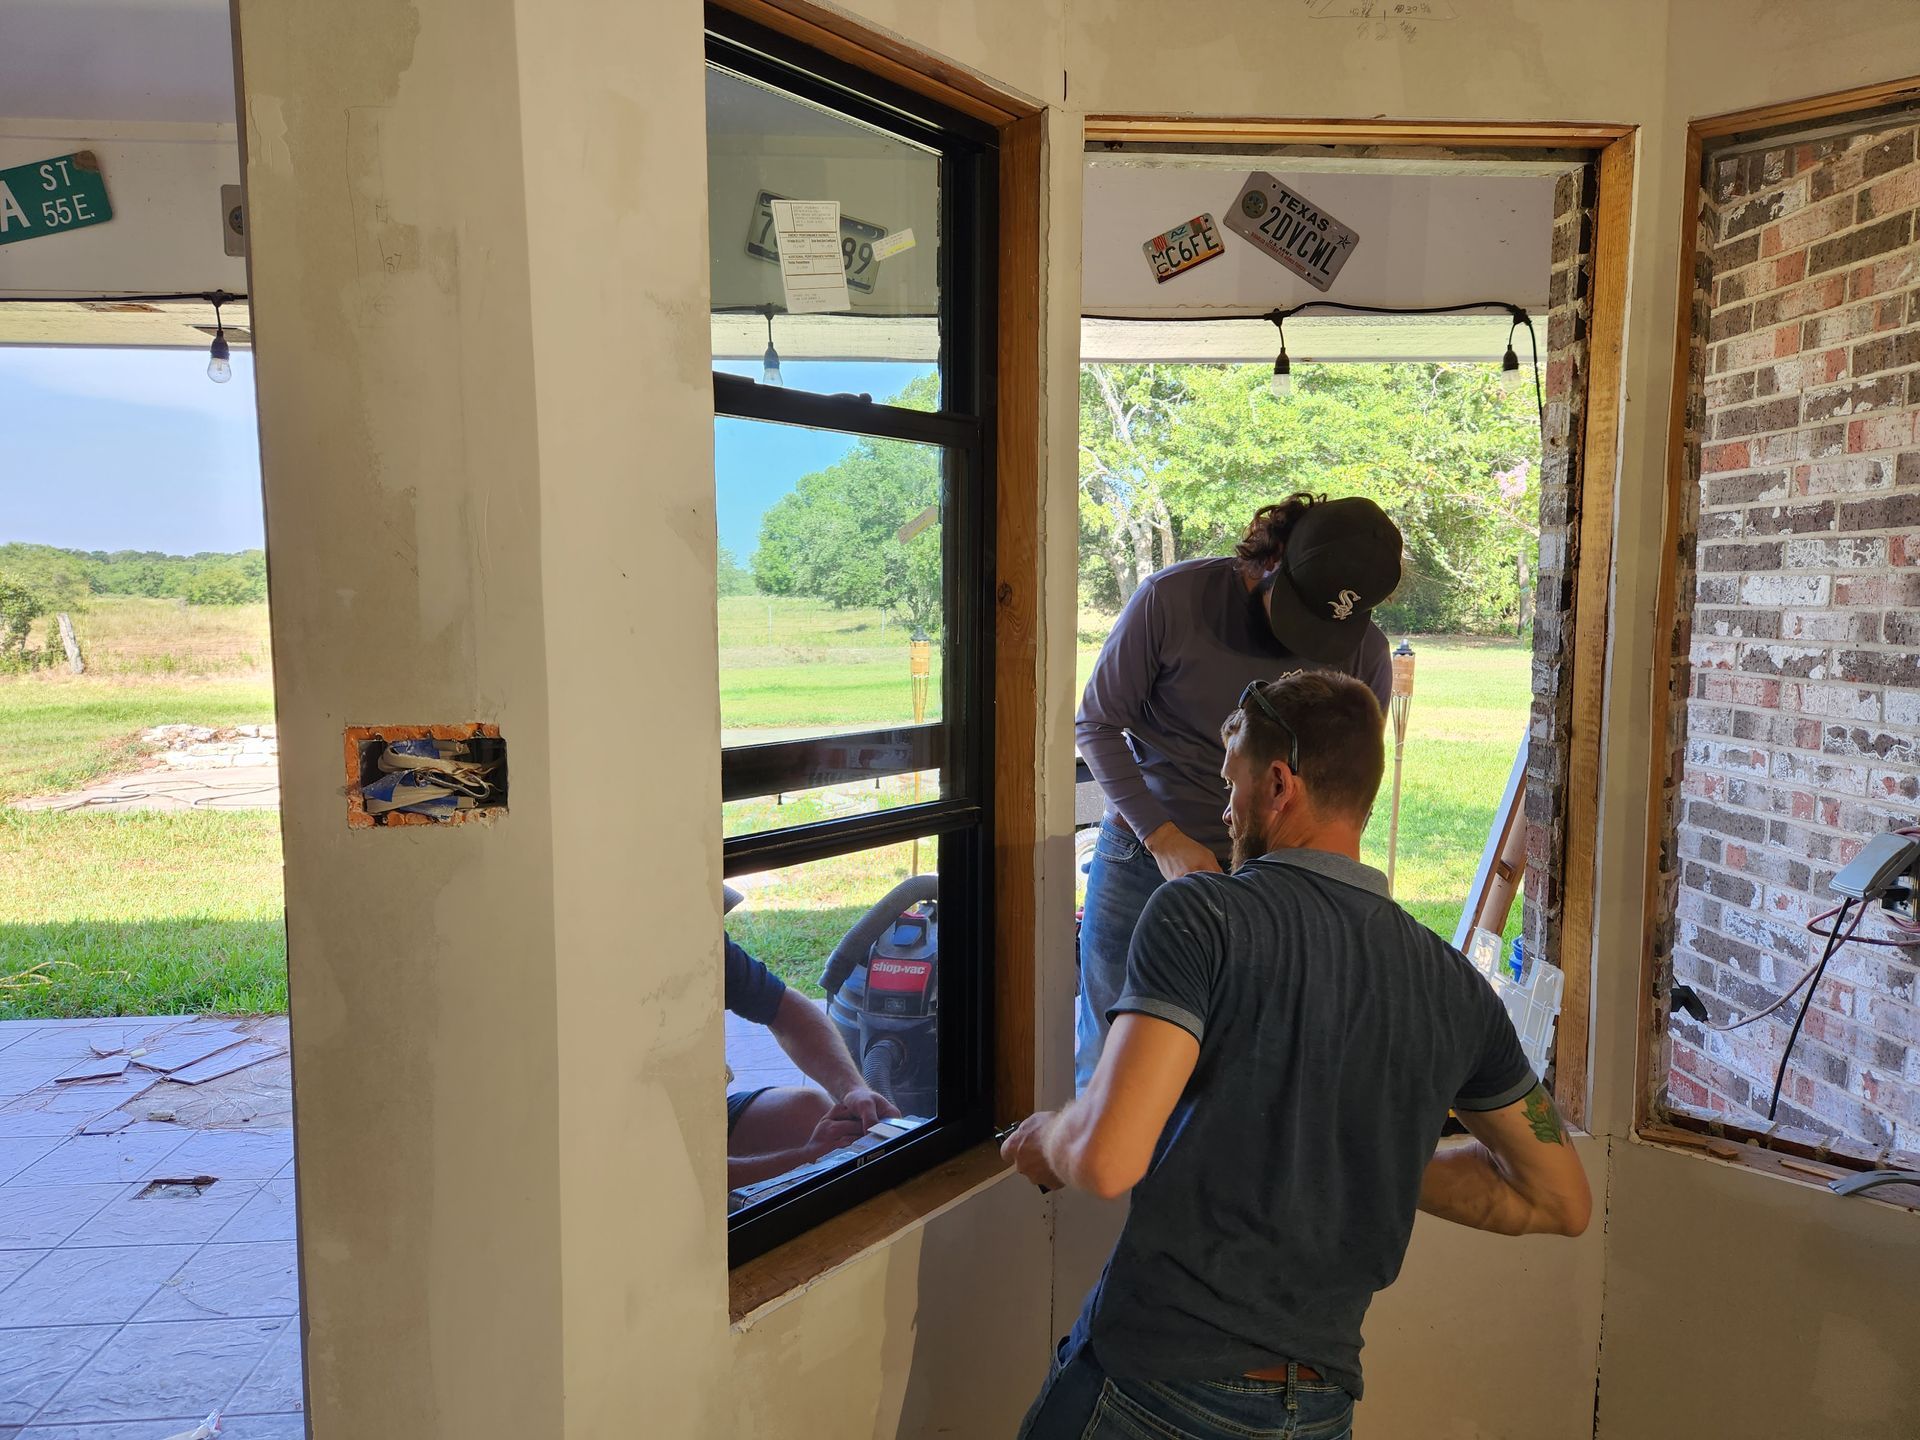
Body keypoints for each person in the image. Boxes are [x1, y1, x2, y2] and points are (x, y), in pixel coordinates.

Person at [1005, 672, 1591, 1440]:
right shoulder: (1450, 984)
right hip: (1315, 1414)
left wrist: (1048, 1140)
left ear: (1278, 782)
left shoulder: (1200, 915)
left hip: (1152, 1392)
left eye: (1231, 783)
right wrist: (1355, 1157)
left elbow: (1110, 1157)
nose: (1223, 810)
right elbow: (1561, 1201)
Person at [1074, 493, 1403, 1090]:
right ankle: (1104, 1179)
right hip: (1144, 857)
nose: (1306, 643)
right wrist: (1164, 837)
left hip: (1280, 873)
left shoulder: (1366, 653)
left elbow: (1350, 787)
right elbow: (1095, 724)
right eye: (1298, 613)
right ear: (1270, 559)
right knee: (1112, 1051)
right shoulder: (1172, 601)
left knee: (1244, 1061)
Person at [723, 885, 901, 1189]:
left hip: (695, 1113)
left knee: (812, 1111)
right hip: (637, 1152)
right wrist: (805, 1158)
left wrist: (853, 1089)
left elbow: (786, 1010)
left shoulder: (700, 947)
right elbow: (670, 1174)